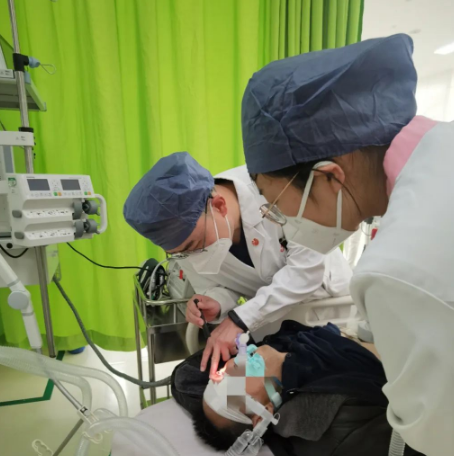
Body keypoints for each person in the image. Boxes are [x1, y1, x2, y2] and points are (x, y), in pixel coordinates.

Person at [240, 33, 454, 455]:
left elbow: (435, 439)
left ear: (329, 176)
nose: (280, 223)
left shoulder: (397, 269)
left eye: (277, 207)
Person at [124, 152, 353, 372]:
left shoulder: (276, 187)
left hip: (332, 312)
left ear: (219, 206)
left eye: (195, 245)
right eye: (180, 253)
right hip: (273, 329)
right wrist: (215, 301)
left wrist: (239, 320)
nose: (193, 257)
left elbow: (306, 272)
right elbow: (217, 285)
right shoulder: (186, 242)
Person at [173, 321, 422, 456]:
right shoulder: (332, 405)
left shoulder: (278, 355)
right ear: (263, 412)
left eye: (219, 374)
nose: (230, 366)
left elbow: (186, 377)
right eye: (231, 384)